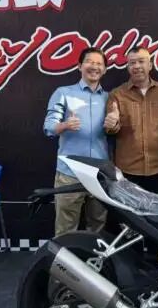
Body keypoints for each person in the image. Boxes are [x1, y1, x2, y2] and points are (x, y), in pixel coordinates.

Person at [43, 47, 110, 236]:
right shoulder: (63, 93)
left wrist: (115, 122)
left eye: (99, 63)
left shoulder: (109, 98)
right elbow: (48, 127)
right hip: (69, 173)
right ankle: (63, 257)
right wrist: (64, 125)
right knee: (65, 229)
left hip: (99, 174)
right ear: (80, 66)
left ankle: (93, 256)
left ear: (104, 69)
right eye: (89, 62)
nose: (94, 67)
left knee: (98, 226)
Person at [104, 46, 158, 194]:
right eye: (132, 63)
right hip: (127, 171)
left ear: (150, 65)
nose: (136, 66)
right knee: (129, 210)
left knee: (157, 208)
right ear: (127, 67)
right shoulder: (116, 94)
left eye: (141, 61)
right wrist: (112, 124)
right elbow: (110, 130)